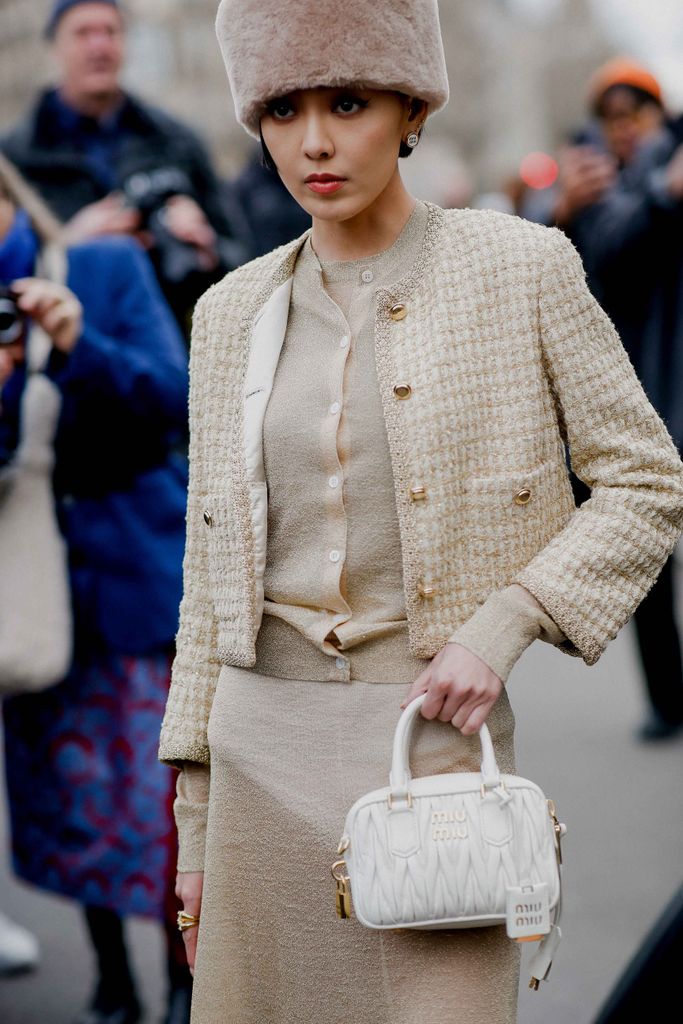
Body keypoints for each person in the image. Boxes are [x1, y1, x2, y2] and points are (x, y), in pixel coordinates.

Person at [158, 4, 683, 1022]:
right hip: (256, 764)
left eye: (346, 102)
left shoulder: (521, 267)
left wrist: (501, 625)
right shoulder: (230, 312)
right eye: (282, 109)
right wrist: (194, 823)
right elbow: (206, 582)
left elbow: (643, 478)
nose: (312, 139)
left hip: (435, 756)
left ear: (407, 107)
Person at [0, 153, 191, 1024]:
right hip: (35, 595)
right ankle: (113, 978)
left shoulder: (102, 266)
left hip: (135, 571)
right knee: (73, 798)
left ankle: (187, 979)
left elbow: (175, 395)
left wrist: (77, 343)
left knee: (161, 805)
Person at [540, 60, 683, 741]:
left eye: (639, 113)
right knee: (650, 560)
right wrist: (567, 212)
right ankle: (667, 700)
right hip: (639, 399)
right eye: (613, 117)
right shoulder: (600, 192)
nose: (626, 128)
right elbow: (602, 255)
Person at [0, 0, 247, 333]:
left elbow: (245, 258)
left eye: (110, 32)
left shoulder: (177, 142)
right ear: (55, 47)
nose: (99, 46)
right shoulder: (14, 159)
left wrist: (208, 247)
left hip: (173, 342)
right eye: (83, 33)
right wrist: (69, 245)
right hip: (66, 348)